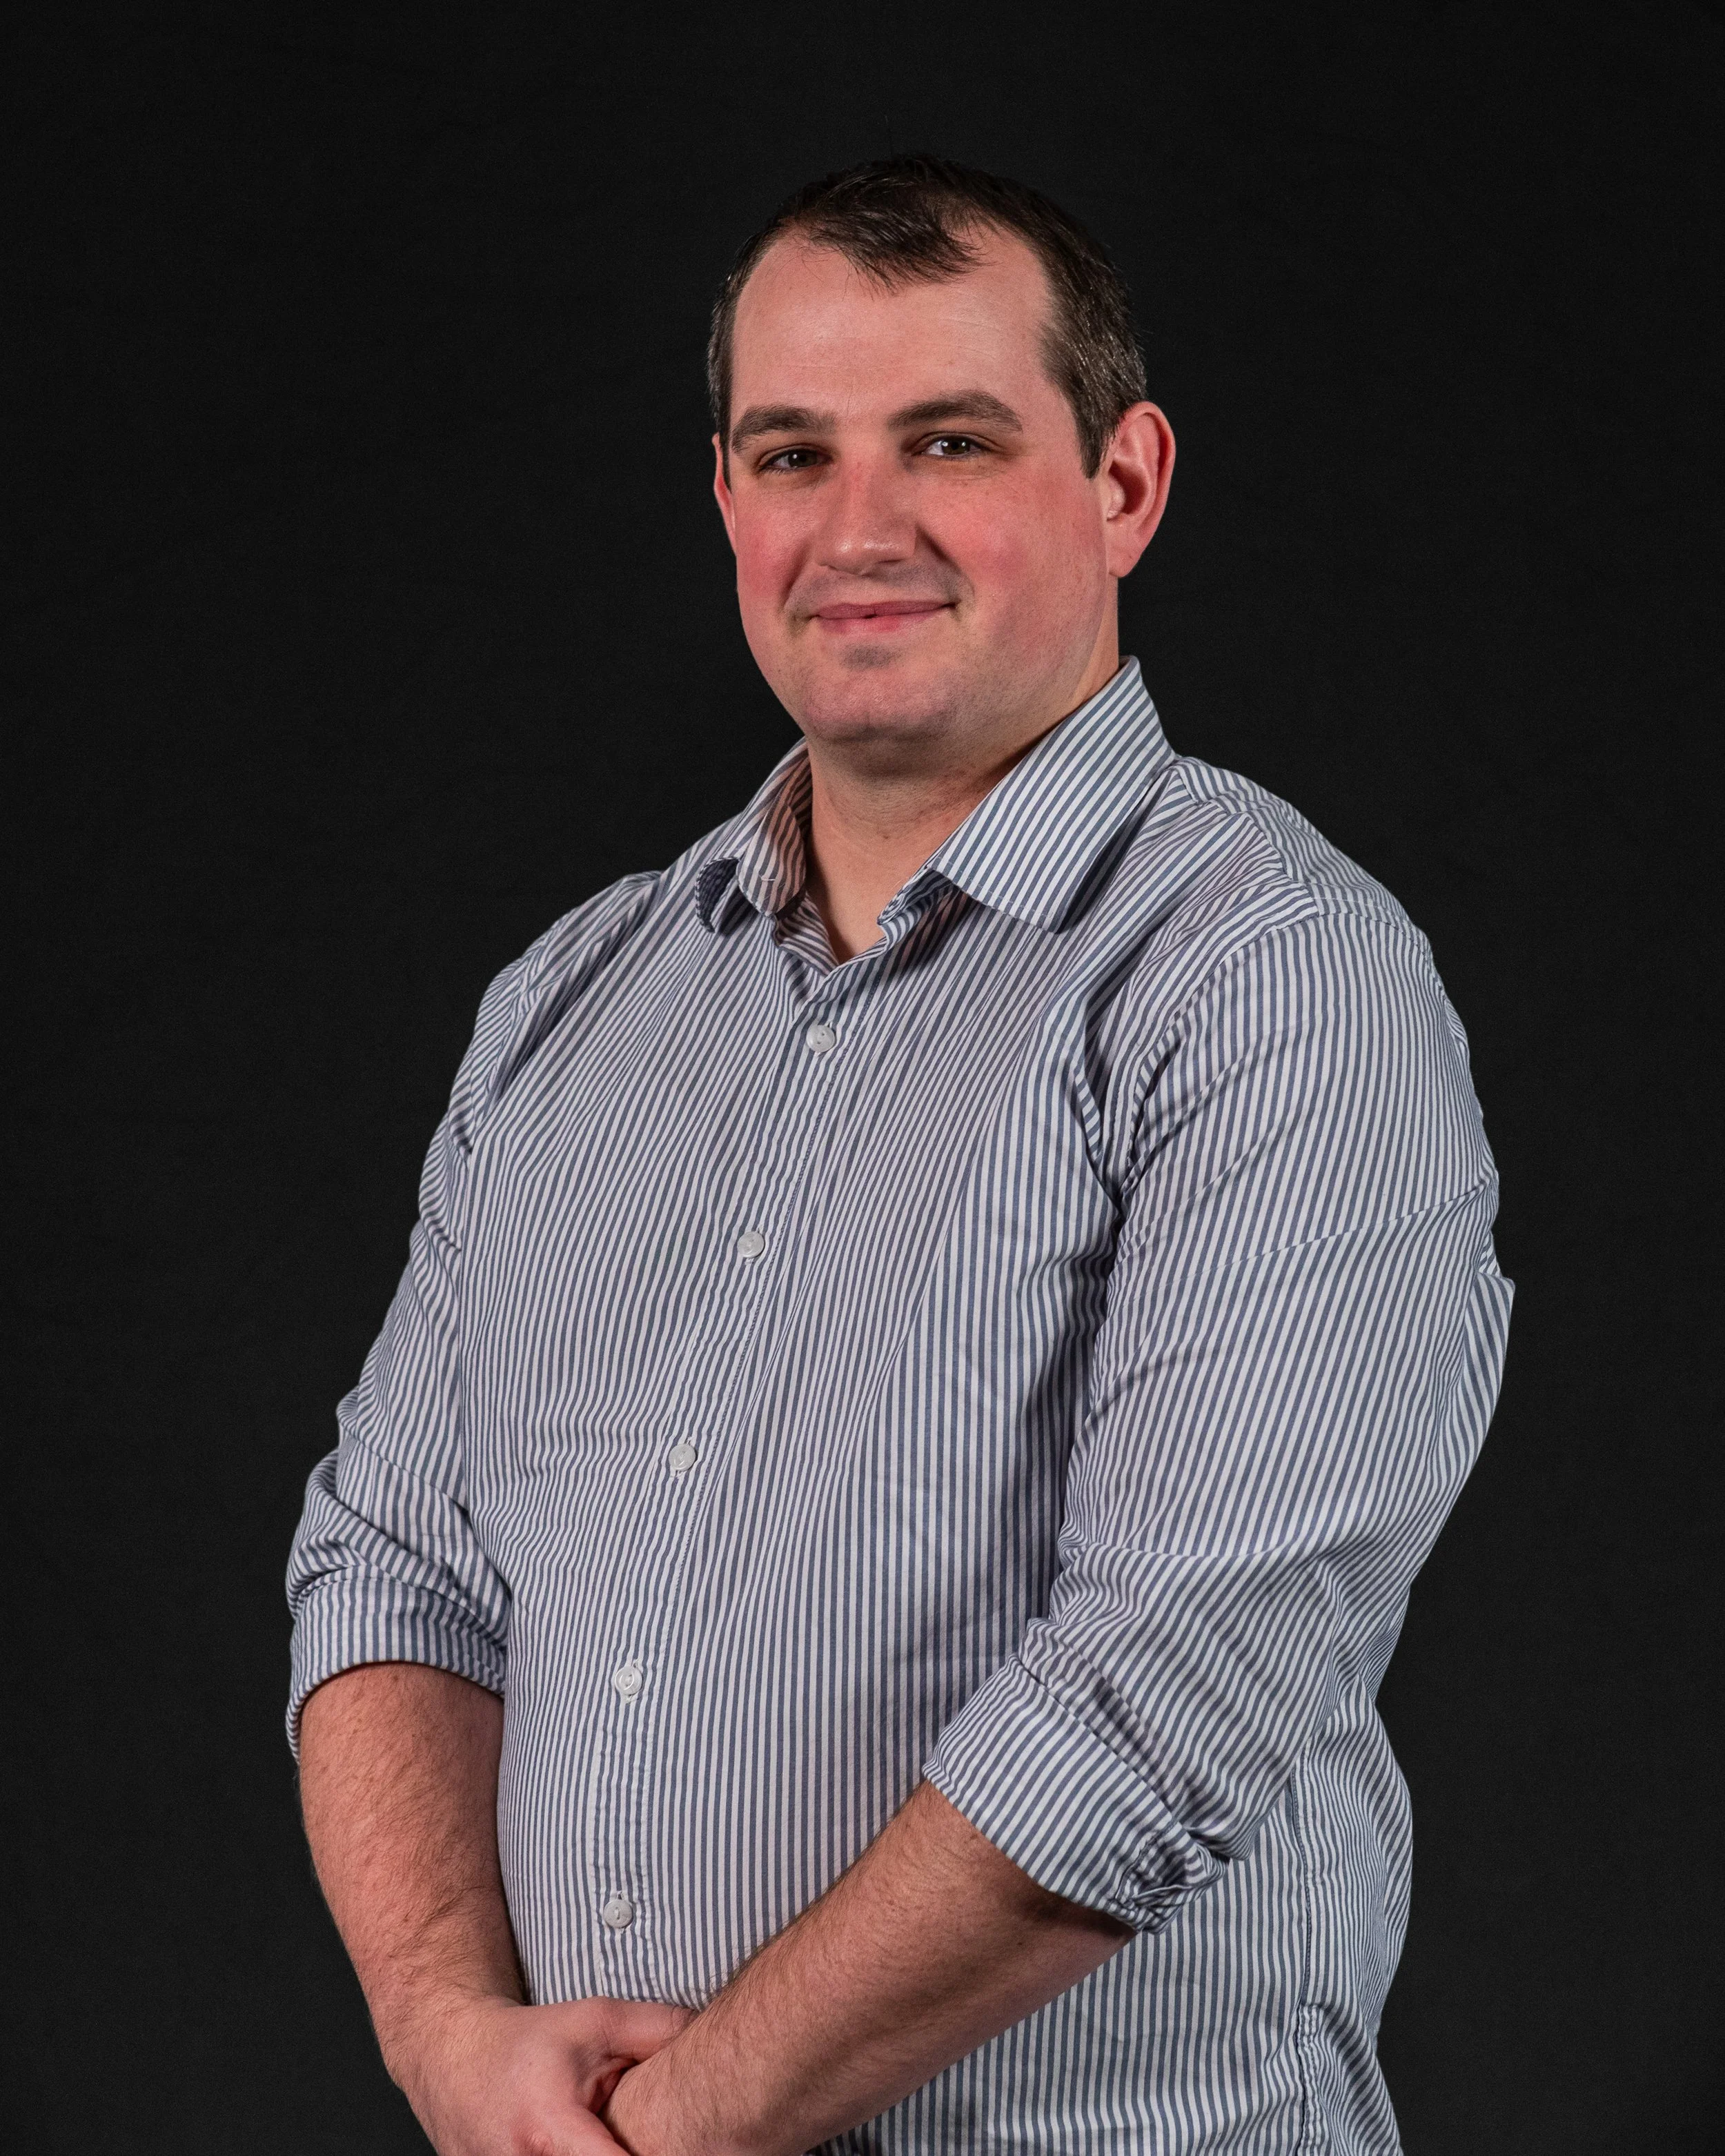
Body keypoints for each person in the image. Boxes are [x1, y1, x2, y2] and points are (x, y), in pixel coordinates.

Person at [287, 156, 1511, 2155]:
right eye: (790, 453)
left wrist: (680, 2120)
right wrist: (448, 2039)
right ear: (725, 503)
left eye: (945, 439)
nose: (856, 529)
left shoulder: (1272, 976)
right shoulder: (573, 1003)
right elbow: (392, 1568)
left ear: (1123, 483)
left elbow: (1172, 1679)